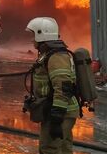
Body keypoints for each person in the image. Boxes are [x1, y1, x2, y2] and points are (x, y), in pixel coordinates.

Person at [25, 17, 79, 154]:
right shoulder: (49, 54)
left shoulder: (56, 57)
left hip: (61, 113)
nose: (32, 39)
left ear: (41, 34)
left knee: (49, 149)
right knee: (63, 148)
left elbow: (63, 88)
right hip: (58, 110)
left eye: (33, 35)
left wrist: (56, 118)